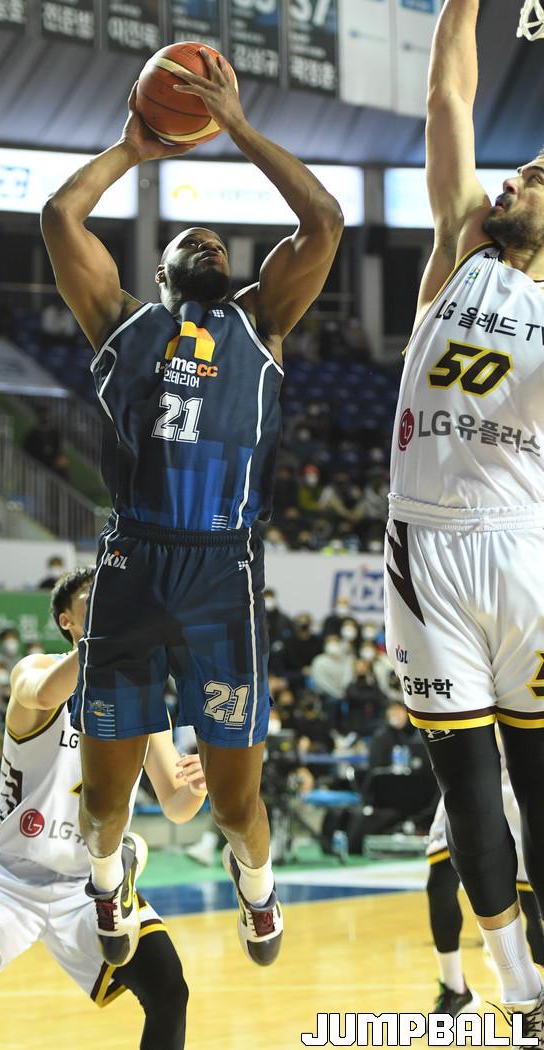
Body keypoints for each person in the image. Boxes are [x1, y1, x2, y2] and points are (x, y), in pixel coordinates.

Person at [41, 50, 343, 968]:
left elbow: (324, 220)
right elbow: (60, 216)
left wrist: (238, 127)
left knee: (237, 803)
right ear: (162, 270)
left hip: (222, 571)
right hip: (132, 565)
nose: (209, 242)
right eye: (191, 240)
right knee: (105, 799)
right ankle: (106, 879)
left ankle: (258, 887)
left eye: (220, 242)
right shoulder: (120, 321)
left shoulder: (262, 322)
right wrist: (134, 148)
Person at [383, 0, 544, 1035]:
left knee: (538, 784)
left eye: (534, 177)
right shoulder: (458, 246)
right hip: (425, 547)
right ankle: (519, 991)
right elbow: (449, 92)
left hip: (525, 546)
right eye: (517, 171)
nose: (513, 179)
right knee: (470, 794)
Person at [0, 568, 206, 1050]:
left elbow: (177, 805)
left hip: (91, 887)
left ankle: (119, 868)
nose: (110, 602)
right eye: (94, 598)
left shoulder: (143, 702)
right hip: (9, 878)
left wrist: (198, 786)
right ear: (67, 621)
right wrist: (109, 641)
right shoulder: (34, 670)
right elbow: (41, 694)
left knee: (169, 990)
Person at [426, 749, 544, 1017]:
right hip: (466, 771)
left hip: (517, 776)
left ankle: (534, 1003)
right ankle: (455, 989)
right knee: (439, 882)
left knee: (532, 904)